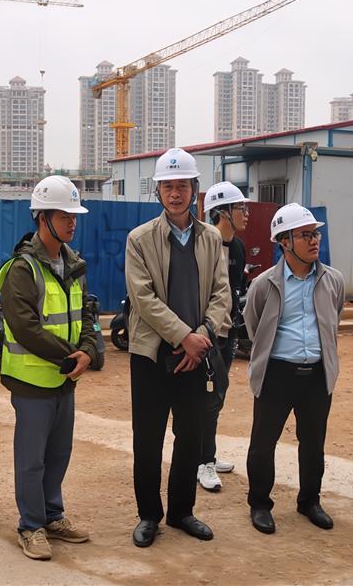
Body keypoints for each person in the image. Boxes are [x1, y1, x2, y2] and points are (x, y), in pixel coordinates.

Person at [125, 148, 231, 548]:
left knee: (191, 437)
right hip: (152, 356)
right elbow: (143, 298)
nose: (175, 193)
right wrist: (183, 336)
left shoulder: (211, 239)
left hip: (196, 355)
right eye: (167, 186)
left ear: (194, 189)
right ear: (158, 191)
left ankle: (182, 511)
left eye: (182, 186)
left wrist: (200, 337)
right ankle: (149, 516)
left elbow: (222, 293)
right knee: (148, 440)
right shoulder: (140, 239)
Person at [0, 175, 98, 561]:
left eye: (74, 216)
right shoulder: (22, 269)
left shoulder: (73, 264)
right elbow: (26, 327)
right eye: (64, 216)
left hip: (64, 379)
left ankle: (52, 516)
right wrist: (73, 356)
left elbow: (86, 313)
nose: (72, 223)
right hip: (32, 381)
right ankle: (31, 525)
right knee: (32, 459)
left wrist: (88, 349)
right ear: (43, 218)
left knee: (58, 454)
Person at [243, 203, 344, 535]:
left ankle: (310, 501)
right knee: (263, 443)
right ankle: (260, 504)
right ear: (284, 242)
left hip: (317, 375)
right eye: (305, 235)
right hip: (276, 374)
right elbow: (254, 325)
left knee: (313, 443)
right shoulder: (264, 284)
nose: (314, 241)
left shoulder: (333, 281)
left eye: (315, 234)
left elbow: (333, 318)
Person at [198, 181, 250, 492]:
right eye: (240, 208)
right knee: (205, 398)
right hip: (208, 336)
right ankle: (202, 462)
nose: (246, 213)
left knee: (217, 396)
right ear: (223, 212)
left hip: (228, 334)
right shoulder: (206, 245)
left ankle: (208, 454)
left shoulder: (239, 248)